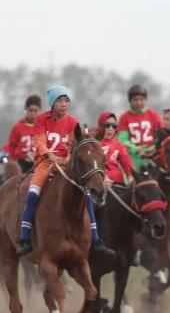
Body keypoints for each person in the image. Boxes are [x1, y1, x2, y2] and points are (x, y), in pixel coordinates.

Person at [14, 85, 114, 257]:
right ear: (52, 103)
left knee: (86, 195)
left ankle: (96, 240)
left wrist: (66, 159)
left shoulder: (73, 122)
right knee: (32, 193)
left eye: (67, 100)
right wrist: (48, 155)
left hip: (66, 165)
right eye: (60, 100)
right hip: (45, 164)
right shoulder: (41, 119)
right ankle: (24, 238)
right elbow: (38, 140)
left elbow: (73, 146)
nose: (64, 104)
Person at [117, 84, 164, 170]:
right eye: (135, 100)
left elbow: (162, 137)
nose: (138, 102)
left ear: (145, 100)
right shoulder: (124, 117)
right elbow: (122, 140)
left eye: (141, 99)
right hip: (133, 158)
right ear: (130, 101)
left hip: (153, 157)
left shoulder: (154, 115)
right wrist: (136, 150)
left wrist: (153, 148)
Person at [1, 95, 41, 173]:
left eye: (35, 110)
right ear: (26, 110)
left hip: (39, 163)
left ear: (40, 111)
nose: (32, 113)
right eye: (30, 110)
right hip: (21, 164)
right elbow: (12, 147)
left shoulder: (43, 127)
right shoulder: (18, 127)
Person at [95, 112, 133, 185]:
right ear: (100, 126)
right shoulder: (93, 143)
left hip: (118, 183)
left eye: (114, 126)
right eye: (107, 125)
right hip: (99, 182)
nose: (111, 129)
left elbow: (126, 162)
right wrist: (103, 177)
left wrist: (130, 176)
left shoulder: (118, 145)